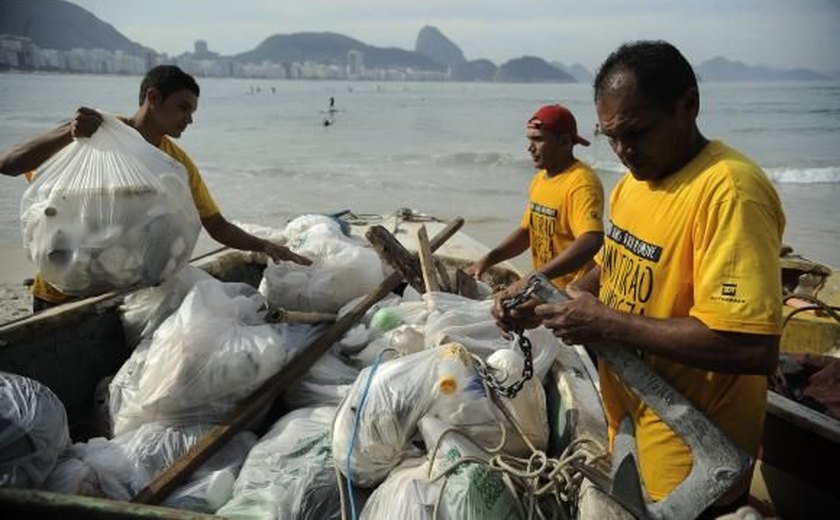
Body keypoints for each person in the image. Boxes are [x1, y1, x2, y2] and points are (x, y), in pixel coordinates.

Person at [498, 41, 784, 517]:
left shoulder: (730, 192)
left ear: (687, 105)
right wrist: (551, 303)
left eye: (636, 132)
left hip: (695, 451)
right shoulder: (634, 182)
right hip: (633, 421)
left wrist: (606, 324)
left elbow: (750, 347)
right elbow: (616, 259)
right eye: (610, 136)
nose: (624, 151)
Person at [0, 65, 311, 311]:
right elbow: (9, 164)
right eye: (183, 108)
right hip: (59, 292)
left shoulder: (176, 164)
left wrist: (266, 246)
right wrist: (67, 134)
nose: (189, 120)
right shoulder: (93, 133)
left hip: (122, 297)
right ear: (152, 98)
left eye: (192, 112)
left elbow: (215, 225)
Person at [467, 104, 604, 292]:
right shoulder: (540, 180)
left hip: (571, 293)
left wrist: (535, 277)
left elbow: (591, 240)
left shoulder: (581, 183)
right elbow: (526, 234)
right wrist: (489, 259)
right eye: (529, 140)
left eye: (538, 140)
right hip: (544, 287)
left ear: (564, 141)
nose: (530, 148)